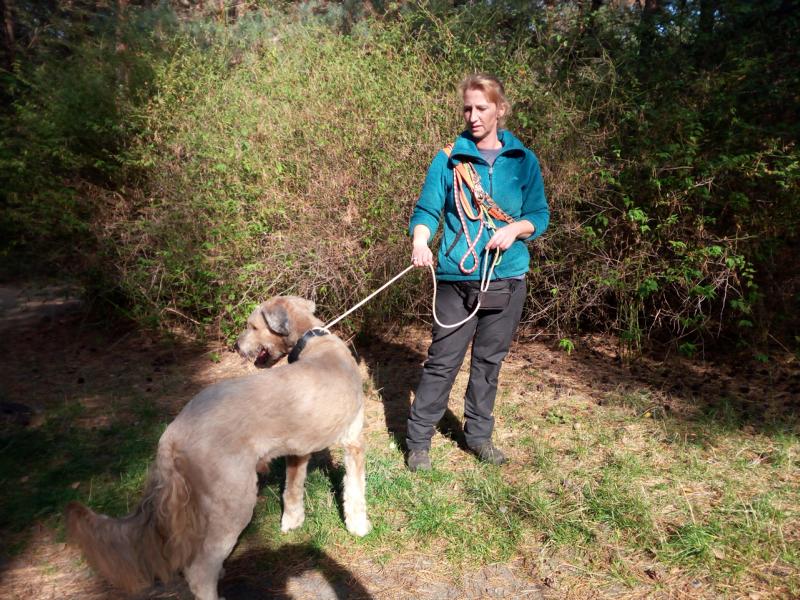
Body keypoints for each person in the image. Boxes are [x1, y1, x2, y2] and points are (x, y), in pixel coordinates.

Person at [405, 73, 550, 471]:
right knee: (442, 360)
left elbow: (539, 215)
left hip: (508, 276)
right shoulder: (448, 158)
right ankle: (418, 442)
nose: (473, 115)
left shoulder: (523, 160)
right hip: (457, 277)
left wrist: (514, 229)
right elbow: (427, 211)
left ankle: (479, 437)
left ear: (500, 110)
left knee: (489, 361)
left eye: (482, 108)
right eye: (467, 108)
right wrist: (421, 241)